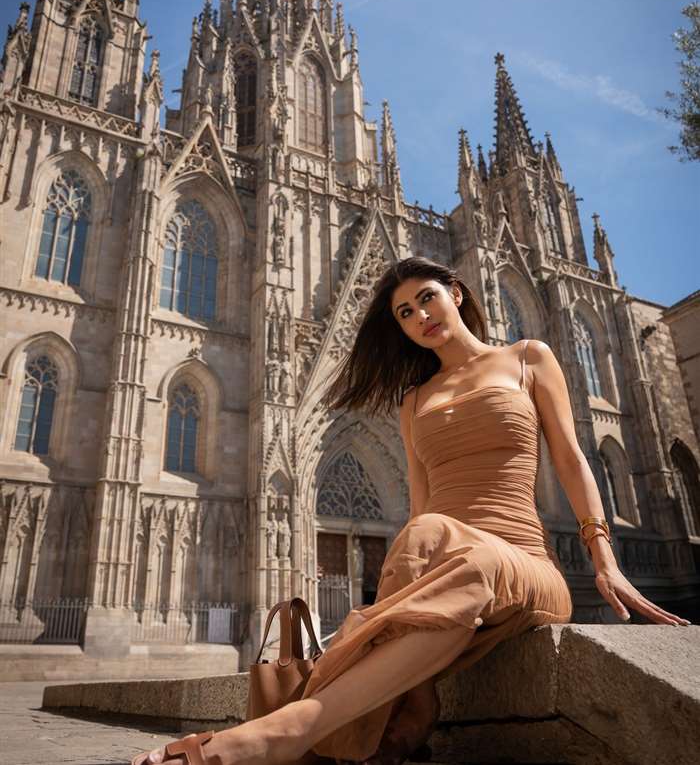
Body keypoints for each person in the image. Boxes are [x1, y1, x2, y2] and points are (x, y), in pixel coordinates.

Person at [132, 256, 690, 765]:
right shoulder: (413, 402)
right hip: (450, 560)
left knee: (460, 554)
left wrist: (603, 555)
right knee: (422, 531)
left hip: (523, 566)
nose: (420, 314)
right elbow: (423, 510)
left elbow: (572, 460)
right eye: (404, 312)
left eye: (426, 297)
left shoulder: (527, 358)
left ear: (456, 292)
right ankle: (409, 718)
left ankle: (282, 734)